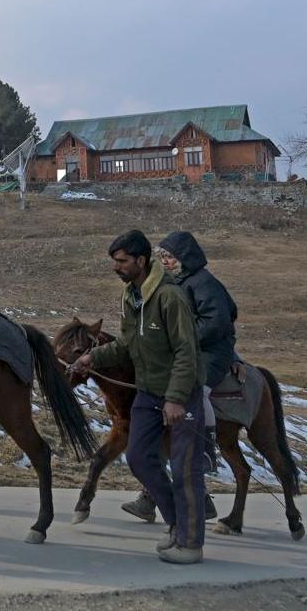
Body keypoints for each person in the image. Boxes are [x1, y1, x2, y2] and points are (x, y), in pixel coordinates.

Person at [69, 230, 207, 564]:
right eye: (114, 261)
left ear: (141, 261)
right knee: (140, 459)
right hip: (147, 392)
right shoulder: (132, 296)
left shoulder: (170, 297)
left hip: (178, 393)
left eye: (121, 261)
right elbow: (127, 344)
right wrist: (93, 358)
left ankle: (190, 544)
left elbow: (187, 352)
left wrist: (176, 398)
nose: (116, 268)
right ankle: (176, 524)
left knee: (186, 469)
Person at [121, 231, 235, 523]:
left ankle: (206, 447)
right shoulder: (175, 284)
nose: (167, 263)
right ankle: (151, 491)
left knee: (198, 390)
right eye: (164, 258)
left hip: (210, 352)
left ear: (186, 259)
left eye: (171, 258)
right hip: (181, 349)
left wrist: (177, 337)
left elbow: (217, 322)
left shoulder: (205, 283)